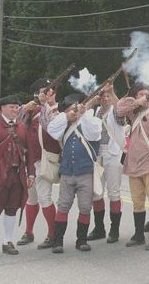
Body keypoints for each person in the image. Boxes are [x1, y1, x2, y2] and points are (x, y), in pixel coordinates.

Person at [0, 95, 35, 259]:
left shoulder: (22, 128)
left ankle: (7, 241)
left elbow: (30, 154)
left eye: (17, 107)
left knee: (12, 209)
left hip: (16, 176)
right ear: (2, 108)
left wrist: (31, 173)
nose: (15, 110)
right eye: (12, 107)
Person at [116, 83, 149, 250]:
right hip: (133, 162)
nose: (144, 96)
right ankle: (139, 235)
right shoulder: (134, 112)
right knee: (137, 202)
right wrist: (137, 102)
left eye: (147, 94)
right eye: (140, 93)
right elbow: (119, 109)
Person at [47, 93, 102, 253]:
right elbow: (52, 129)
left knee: (85, 208)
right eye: (72, 109)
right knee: (63, 207)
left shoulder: (91, 121)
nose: (74, 111)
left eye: (75, 108)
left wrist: (83, 113)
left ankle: (82, 240)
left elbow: (94, 131)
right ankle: (58, 242)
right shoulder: (63, 124)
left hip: (85, 172)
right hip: (67, 172)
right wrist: (67, 115)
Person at [17, 79, 60, 249]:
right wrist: (30, 107)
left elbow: (49, 126)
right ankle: (29, 231)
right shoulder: (31, 109)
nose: (50, 93)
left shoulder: (58, 111)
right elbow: (17, 122)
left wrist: (43, 105)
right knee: (31, 198)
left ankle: (52, 234)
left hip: (45, 160)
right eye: (46, 91)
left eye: (52, 91)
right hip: (29, 160)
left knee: (45, 198)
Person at [87, 85, 127, 243]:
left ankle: (114, 230)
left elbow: (120, 112)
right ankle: (99, 228)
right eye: (102, 96)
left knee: (114, 193)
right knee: (97, 193)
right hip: (98, 154)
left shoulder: (116, 111)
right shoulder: (95, 112)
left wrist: (112, 91)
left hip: (113, 153)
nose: (105, 99)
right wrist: (92, 101)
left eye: (107, 96)